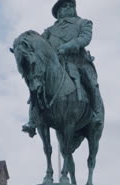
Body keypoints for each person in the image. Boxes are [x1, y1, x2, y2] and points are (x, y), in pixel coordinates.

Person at [22, 0, 103, 137]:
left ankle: (96, 114)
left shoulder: (84, 23)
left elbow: (85, 38)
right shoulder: (49, 31)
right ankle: (32, 121)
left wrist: (69, 46)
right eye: (64, 5)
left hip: (78, 61)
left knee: (92, 83)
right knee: (36, 86)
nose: (69, 7)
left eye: (71, 5)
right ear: (58, 11)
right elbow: (40, 46)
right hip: (55, 66)